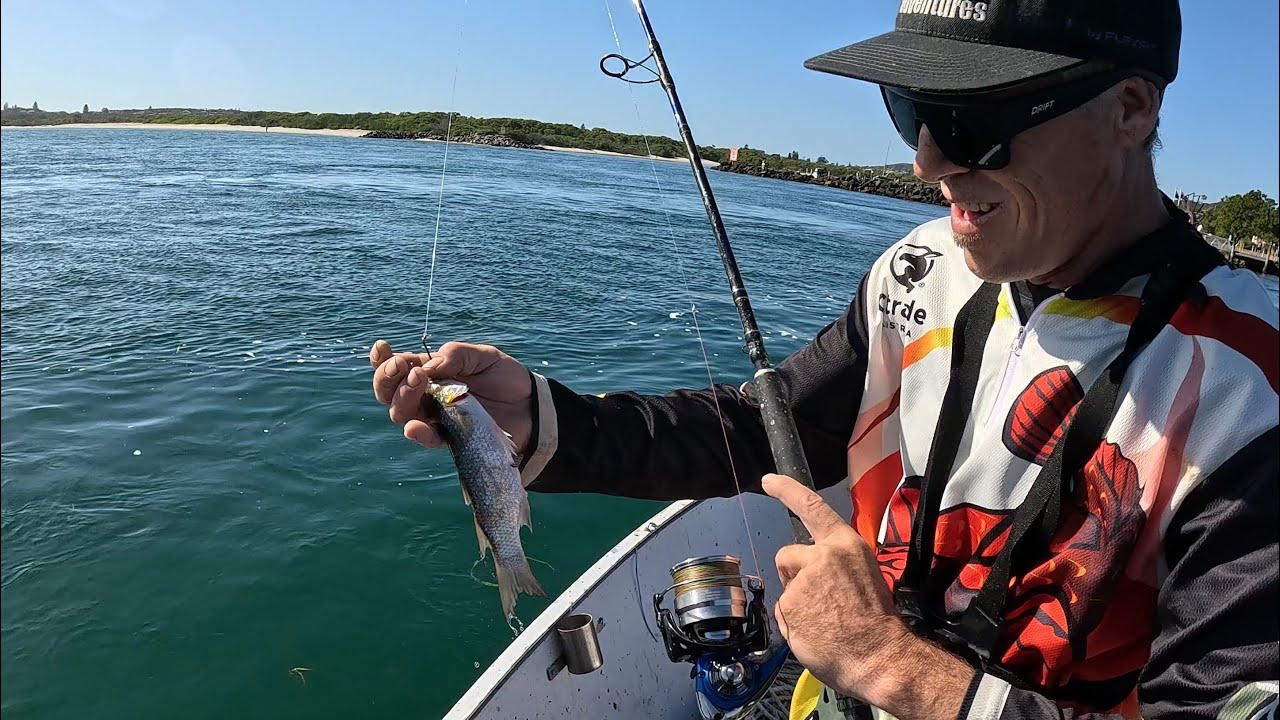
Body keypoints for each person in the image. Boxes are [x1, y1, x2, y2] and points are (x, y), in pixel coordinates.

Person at [370, 1, 1279, 718]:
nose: (927, 160)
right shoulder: (919, 271)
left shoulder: (1252, 394)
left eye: (969, 120)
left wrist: (898, 670)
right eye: (911, 110)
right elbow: (766, 427)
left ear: (1130, 107)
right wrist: (541, 420)